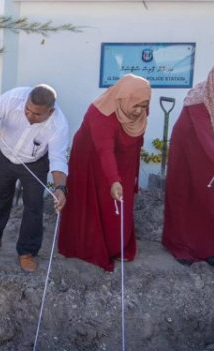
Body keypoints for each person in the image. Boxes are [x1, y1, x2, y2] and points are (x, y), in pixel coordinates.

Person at [58, 74, 151, 272]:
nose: (139, 111)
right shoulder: (100, 114)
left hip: (124, 156)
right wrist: (114, 180)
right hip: (91, 157)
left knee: (120, 202)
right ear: (123, 99)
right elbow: (104, 150)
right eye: (136, 105)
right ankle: (90, 247)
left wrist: (128, 178)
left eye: (144, 106)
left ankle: (118, 245)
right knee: (96, 200)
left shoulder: (139, 105)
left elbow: (136, 138)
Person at [0, 84, 69, 272]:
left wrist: (60, 189)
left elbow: (58, 159)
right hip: (4, 154)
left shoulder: (59, 125)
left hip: (35, 163)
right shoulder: (15, 97)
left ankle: (27, 252)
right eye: (27, 109)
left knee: (34, 207)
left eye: (36, 114)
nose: (29, 115)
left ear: (50, 111)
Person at [162, 61, 214, 267]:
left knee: (211, 198)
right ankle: (180, 247)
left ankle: (206, 248)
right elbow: (205, 136)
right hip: (189, 147)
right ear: (213, 82)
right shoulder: (198, 99)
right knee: (185, 195)